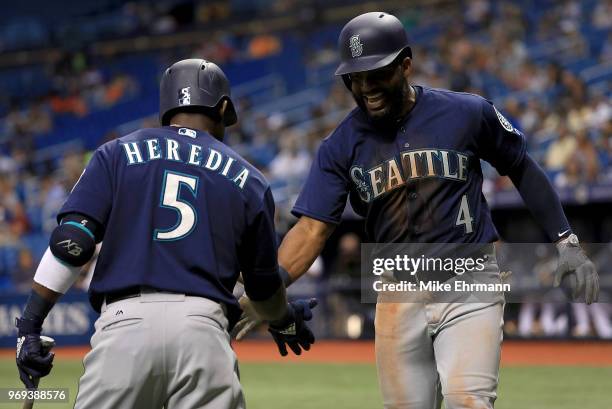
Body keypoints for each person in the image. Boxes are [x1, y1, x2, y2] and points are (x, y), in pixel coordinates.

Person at [232, 12, 599, 409]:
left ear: (406, 64)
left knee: (468, 401)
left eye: (376, 74)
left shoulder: (466, 112)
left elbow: (521, 166)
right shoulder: (339, 146)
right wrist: (270, 286)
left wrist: (566, 241)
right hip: (396, 289)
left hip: (469, 279)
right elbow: (310, 231)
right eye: (355, 78)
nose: (366, 87)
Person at [15, 58, 317, 409]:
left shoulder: (115, 153)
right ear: (222, 108)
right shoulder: (250, 179)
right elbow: (263, 288)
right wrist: (283, 319)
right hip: (203, 331)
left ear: (167, 109)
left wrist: (30, 325)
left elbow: (73, 243)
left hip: (124, 327)